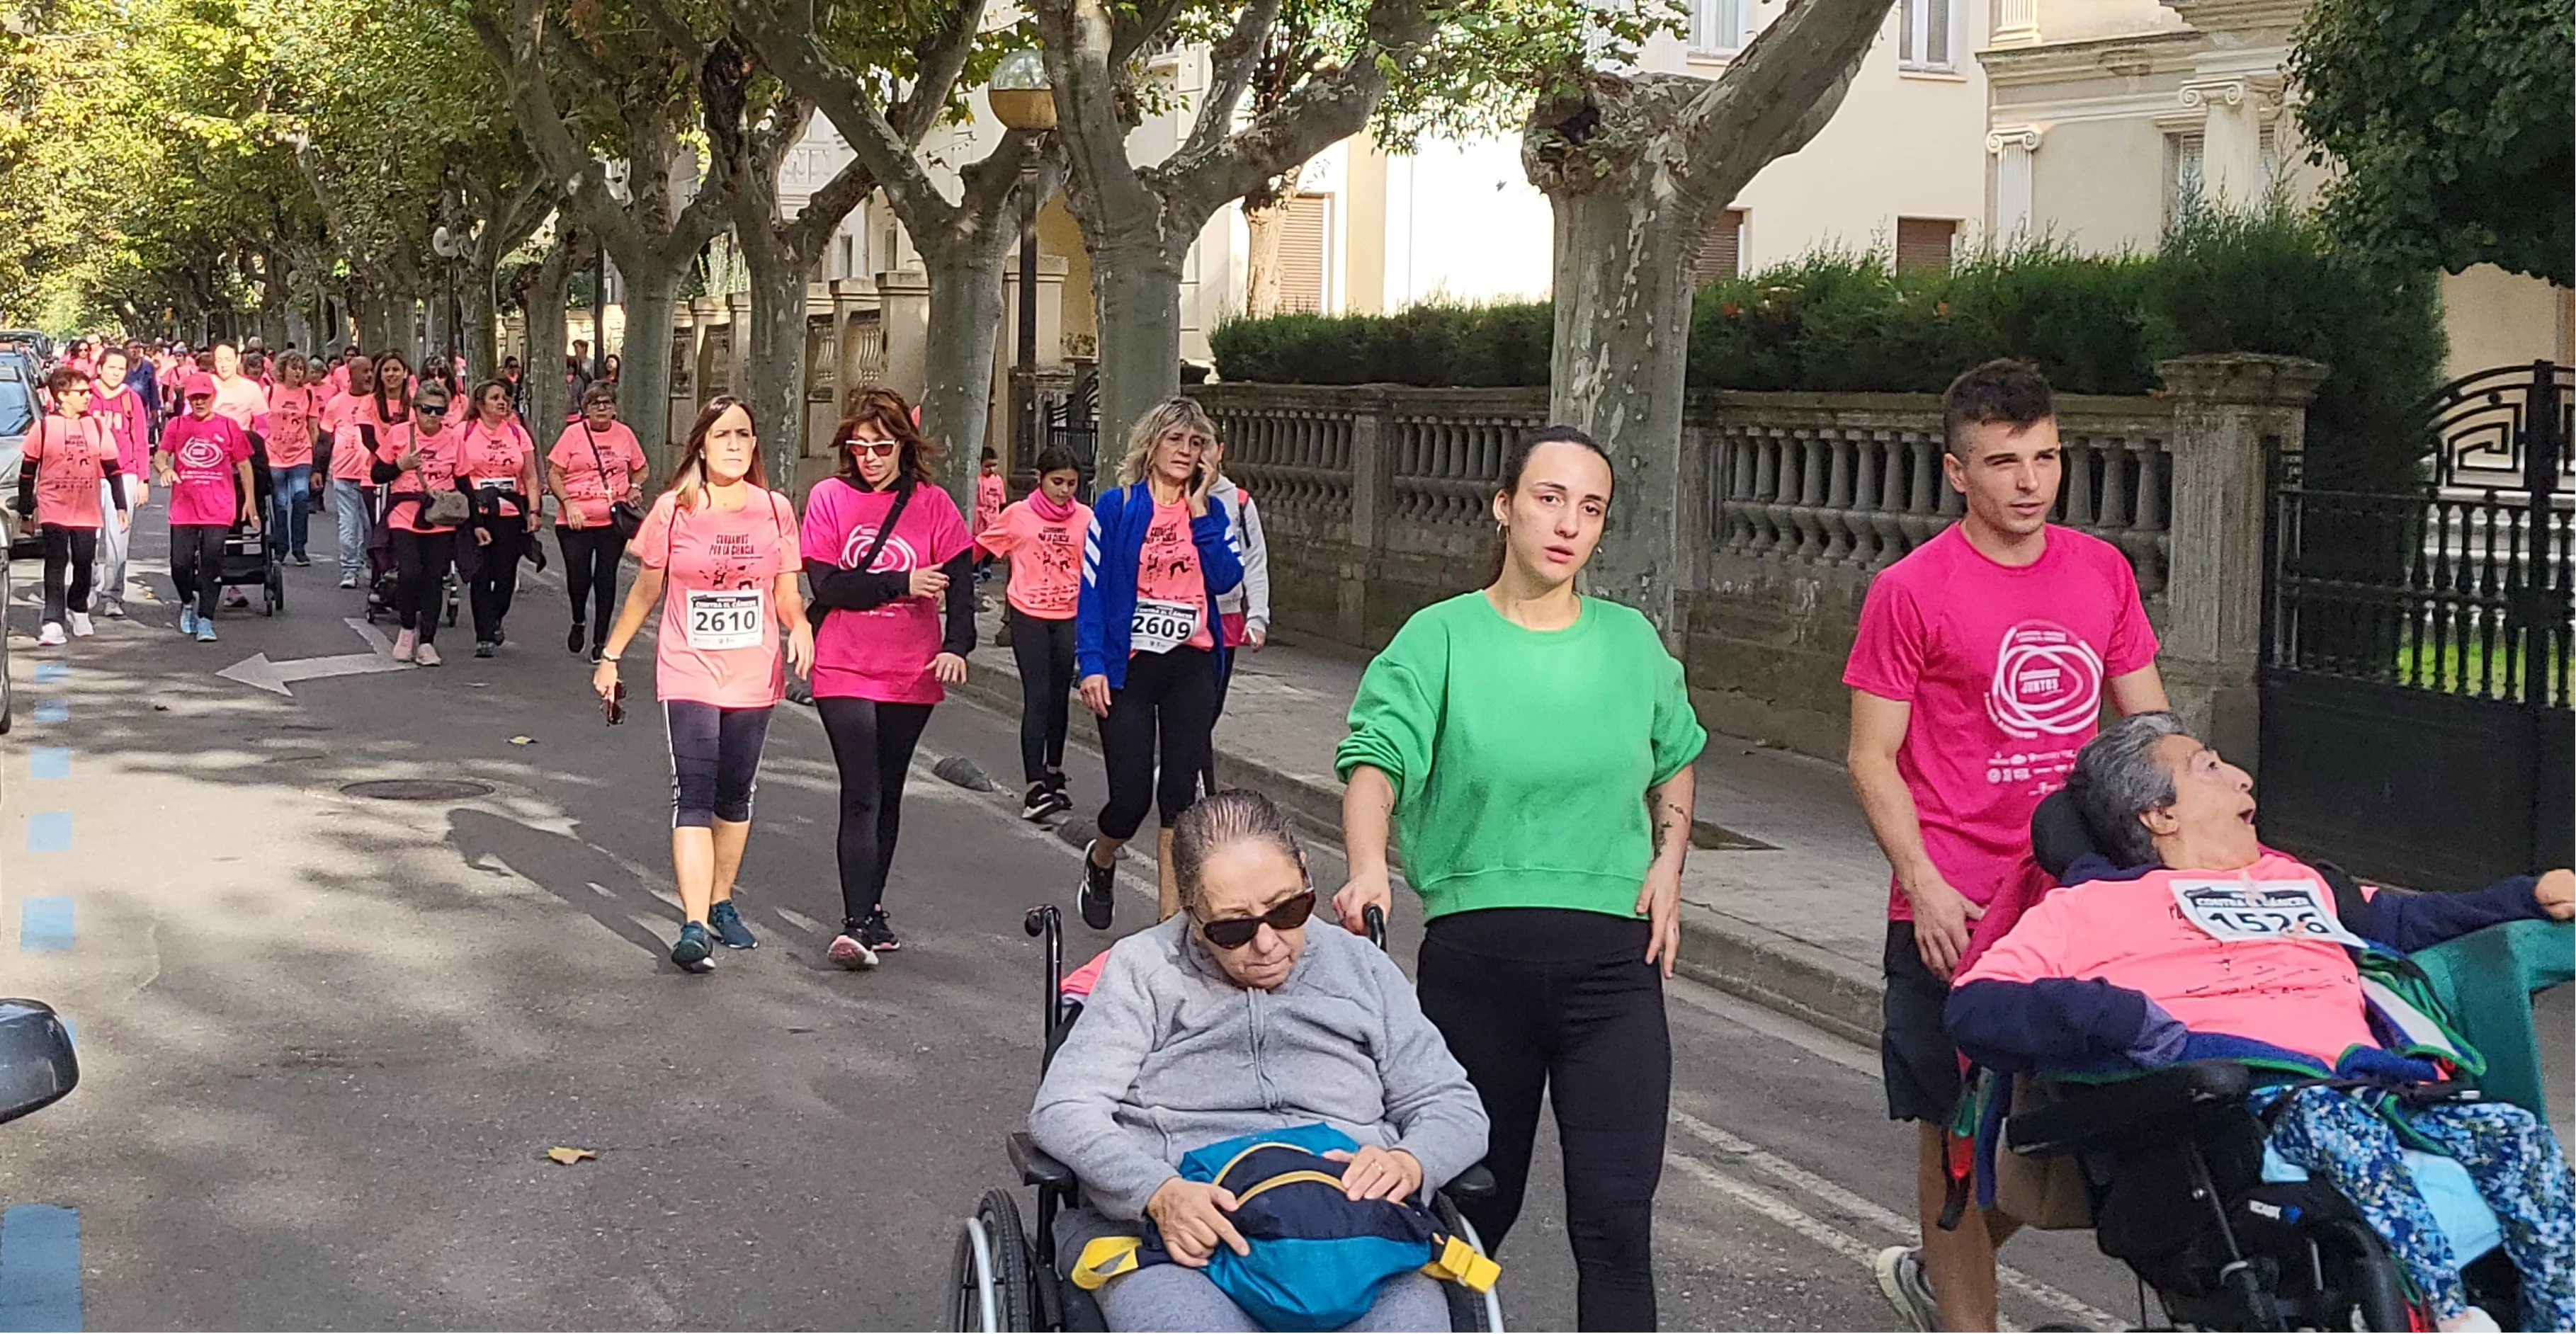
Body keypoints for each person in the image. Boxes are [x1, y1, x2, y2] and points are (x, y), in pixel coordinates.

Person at [1949, 712, 2576, 1334]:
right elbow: (1976, 1006)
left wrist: (2526, 896)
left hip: (2375, 1089)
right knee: (2335, 1126)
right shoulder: (2088, 908)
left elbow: (2405, 924)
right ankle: (2445, 1315)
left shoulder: (2294, 882)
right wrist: (2112, 1013)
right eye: (2211, 769)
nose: (2244, 780)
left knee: (2513, 1134)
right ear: (2158, 815)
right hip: (2251, 1109)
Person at [1333, 425, 1703, 1332]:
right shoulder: (1441, 637)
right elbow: (1375, 760)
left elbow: (1675, 756)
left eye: (1590, 507)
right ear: (1503, 507)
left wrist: (1668, 861)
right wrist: (1368, 866)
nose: (1568, 523)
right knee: (1469, 1216)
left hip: (1613, 976)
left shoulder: (1629, 642)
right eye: (1548, 498)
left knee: (1615, 1226)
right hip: (1476, 970)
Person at [1842, 358, 2169, 1333]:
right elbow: (1871, 759)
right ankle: (1964, 1318)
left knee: (2069, 1138)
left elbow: (2149, 734)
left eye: (2045, 458)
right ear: (1956, 472)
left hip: (2075, 904)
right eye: (2003, 462)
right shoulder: (1910, 591)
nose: (2029, 482)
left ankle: (1936, 1271)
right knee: (1951, 1145)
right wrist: (1925, 886)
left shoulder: (2101, 571)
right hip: (1957, 908)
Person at [1029, 789, 1490, 1334]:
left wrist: (1412, 1163)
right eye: (1233, 927)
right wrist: (1156, 1191)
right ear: (1192, 913)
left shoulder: (1361, 968)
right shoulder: (1144, 970)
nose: (1268, 943)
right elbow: (1063, 1108)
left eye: (1288, 909)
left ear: (1303, 872)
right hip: (1186, 1238)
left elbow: (1451, 1104)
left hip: (1355, 1233)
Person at [591, 397, 812, 974]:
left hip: (753, 671)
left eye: (744, 433)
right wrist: (610, 656)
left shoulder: (775, 510)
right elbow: (645, 591)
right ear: (702, 446)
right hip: (688, 668)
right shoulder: (674, 508)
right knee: (693, 791)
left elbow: (786, 590)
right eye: (722, 435)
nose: (735, 445)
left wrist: (801, 625)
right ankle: (692, 924)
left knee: (733, 794)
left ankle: (721, 900)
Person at [800, 389, 977, 965]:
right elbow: (829, 586)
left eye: (881, 446)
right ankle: (853, 922)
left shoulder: (933, 505)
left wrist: (956, 644)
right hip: (842, 664)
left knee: (889, 789)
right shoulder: (828, 498)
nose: (870, 457)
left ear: (904, 444)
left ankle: (873, 909)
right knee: (861, 791)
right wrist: (902, 583)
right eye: (860, 446)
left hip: (911, 667)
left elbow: (962, 589)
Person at [1072, 398, 1245, 929]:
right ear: (1151, 445)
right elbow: (1092, 591)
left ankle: (1168, 926)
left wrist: (1199, 514)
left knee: (1179, 798)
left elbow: (1225, 580)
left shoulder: (1213, 513)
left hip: (1190, 665)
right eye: (1175, 440)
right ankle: (1101, 859)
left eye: (1195, 444)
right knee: (1128, 798)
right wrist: (1091, 664)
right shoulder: (1117, 506)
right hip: (1129, 667)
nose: (1185, 452)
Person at [977, 446, 1091, 821]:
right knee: (1038, 696)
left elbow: (1099, 568)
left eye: (1072, 484)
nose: (1064, 491)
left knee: (1060, 698)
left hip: (1069, 614)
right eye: (1057, 482)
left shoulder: (1086, 519)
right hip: (1028, 614)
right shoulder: (1018, 516)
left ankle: (1055, 772)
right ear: (1039, 479)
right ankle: (1033, 786)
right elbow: (979, 551)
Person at [21, 367, 131, 646]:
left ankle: (78, 607)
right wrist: (26, 509)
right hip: (53, 505)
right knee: (56, 563)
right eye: (81, 393)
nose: (87, 397)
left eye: (88, 392)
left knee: (84, 562)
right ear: (62, 395)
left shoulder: (96, 426)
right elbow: (27, 472)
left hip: (86, 508)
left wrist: (120, 506)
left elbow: (112, 469)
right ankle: (52, 620)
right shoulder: (44, 427)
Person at [547, 382, 648, 661]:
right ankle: (579, 619)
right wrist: (568, 504)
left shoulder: (625, 435)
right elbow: (554, 474)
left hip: (611, 521)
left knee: (606, 577)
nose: (601, 408)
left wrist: (634, 488)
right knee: (579, 579)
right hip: (575, 520)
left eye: (607, 403)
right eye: (595, 404)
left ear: (615, 408)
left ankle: (600, 640)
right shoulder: (573, 435)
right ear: (586, 409)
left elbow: (641, 468)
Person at [370, 379, 465, 665]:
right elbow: (377, 474)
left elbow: (463, 480)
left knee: (435, 577)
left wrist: (478, 522)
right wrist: (401, 465)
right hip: (405, 513)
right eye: (426, 409)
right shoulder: (400, 434)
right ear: (415, 409)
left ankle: (427, 643)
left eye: (439, 411)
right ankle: (407, 629)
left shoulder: (453, 439)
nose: (433, 416)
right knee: (410, 573)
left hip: (441, 514)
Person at [156, 372, 256, 643]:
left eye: (204, 397)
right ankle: (188, 602)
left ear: (213, 397)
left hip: (219, 507)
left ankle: (206, 619)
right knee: (180, 564)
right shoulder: (177, 425)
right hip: (184, 505)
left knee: (213, 562)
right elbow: (162, 453)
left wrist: (250, 501)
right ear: (188, 399)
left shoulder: (228, 426)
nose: (199, 402)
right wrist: (164, 468)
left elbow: (244, 464)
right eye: (194, 397)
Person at [1201, 437, 1271, 792]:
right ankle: (1201, 786)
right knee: (1192, 708)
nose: (1199, 454)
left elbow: (1255, 561)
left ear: (1221, 449)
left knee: (1210, 708)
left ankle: (1186, 769)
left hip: (1226, 617)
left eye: (1204, 444)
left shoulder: (1239, 502)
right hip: (1186, 619)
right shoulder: (1169, 498)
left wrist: (1257, 616)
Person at [457, 378, 541, 658]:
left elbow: (530, 475)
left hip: (510, 513)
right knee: (481, 573)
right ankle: (484, 634)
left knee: (505, 576)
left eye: (505, 397)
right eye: (495, 398)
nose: (502, 402)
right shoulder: (464, 432)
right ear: (480, 404)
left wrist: (534, 511)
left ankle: (495, 617)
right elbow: (456, 473)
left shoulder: (518, 434)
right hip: (476, 512)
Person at [87, 347, 151, 617]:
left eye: (121, 368)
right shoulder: (85, 396)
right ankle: (86, 588)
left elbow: (141, 440)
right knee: (87, 537)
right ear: (100, 368)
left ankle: (113, 595)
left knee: (118, 539)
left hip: (123, 474)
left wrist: (143, 479)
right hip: (88, 474)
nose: (115, 373)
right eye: (111, 367)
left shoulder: (131, 399)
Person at [322, 355, 382, 588]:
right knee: (348, 524)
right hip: (344, 472)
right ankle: (349, 569)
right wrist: (318, 469)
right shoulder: (336, 403)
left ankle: (371, 562)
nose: (369, 376)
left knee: (370, 525)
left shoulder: (378, 402)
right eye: (364, 371)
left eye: (371, 371)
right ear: (351, 375)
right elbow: (325, 439)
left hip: (372, 474)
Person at [261, 351, 320, 566]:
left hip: (301, 453)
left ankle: (299, 547)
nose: (297, 372)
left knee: (301, 497)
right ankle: (281, 547)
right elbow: (259, 423)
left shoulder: (309, 395)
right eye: (293, 367)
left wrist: (313, 458)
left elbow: (313, 428)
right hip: (274, 453)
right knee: (281, 502)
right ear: (283, 369)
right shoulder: (269, 392)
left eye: (301, 368)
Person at [972, 446, 1005, 584]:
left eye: (994, 465)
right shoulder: (977, 480)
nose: (991, 469)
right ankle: (975, 569)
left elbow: (1002, 501)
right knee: (977, 543)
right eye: (987, 466)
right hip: (978, 518)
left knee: (993, 544)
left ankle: (986, 566)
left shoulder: (998, 481)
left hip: (993, 518)